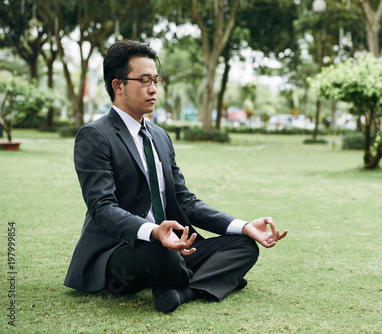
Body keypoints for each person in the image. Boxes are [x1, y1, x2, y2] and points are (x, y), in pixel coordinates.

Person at [64, 40, 287, 314]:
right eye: (144, 80)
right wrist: (154, 232)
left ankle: (183, 292)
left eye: (156, 80)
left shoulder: (160, 136)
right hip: (121, 251)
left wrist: (242, 226)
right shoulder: (96, 136)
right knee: (162, 255)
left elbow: (186, 201)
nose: (154, 88)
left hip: (172, 246)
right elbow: (102, 209)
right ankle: (211, 278)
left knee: (244, 247)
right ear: (118, 85)